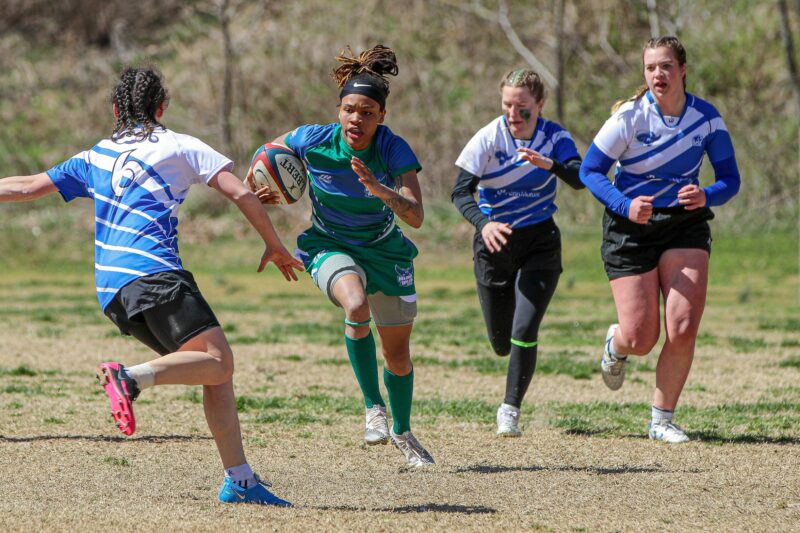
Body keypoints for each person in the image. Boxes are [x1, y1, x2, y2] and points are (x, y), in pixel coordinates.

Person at [0, 66, 304, 504]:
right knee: (219, 361)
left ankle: (239, 481)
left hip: (113, 292)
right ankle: (130, 378)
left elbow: (28, 187)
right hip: (154, 274)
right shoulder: (180, 145)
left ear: (114, 109)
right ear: (161, 107)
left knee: (211, 369)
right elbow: (240, 193)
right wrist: (274, 246)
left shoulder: (95, 155)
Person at [261, 45, 434, 467]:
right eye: (350, 109)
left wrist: (380, 188)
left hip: (386, 251)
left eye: (368, 112)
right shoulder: (313, 139)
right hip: (329, 244)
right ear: (339, 110)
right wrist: (262, 182)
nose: (357, 118)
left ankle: (403, 431)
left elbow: (416, 216)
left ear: (381, 116)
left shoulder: (393, 150)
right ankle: (373, 407)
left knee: (398, 356)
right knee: (355, 304)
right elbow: (268, 152)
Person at [579, 36, 740, 443]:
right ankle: (617, 344)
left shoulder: (706, 119)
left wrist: (707, 195)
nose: (658, 75)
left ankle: (661, 420)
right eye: (651, 68)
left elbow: (730, 179)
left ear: (682, 70)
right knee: (641, 337)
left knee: (683, 327)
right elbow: (590, 170)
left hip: (684, 223)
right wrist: (624, 204)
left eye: (666, 66)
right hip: (630, 225)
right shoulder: (630, 117)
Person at [451, 68, 584, 437]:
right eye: (507, 104)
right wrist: (483, 223)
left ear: (540, 105)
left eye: (522, 106)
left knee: (525, 327)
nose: (514, 113)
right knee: (500, 341)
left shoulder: (555, 136)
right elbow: (460, 193)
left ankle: (510, 409)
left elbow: (580, 178)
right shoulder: (487, 138)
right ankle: (508, 368)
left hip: (541, 242)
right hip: (495, 245)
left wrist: (551, 165)